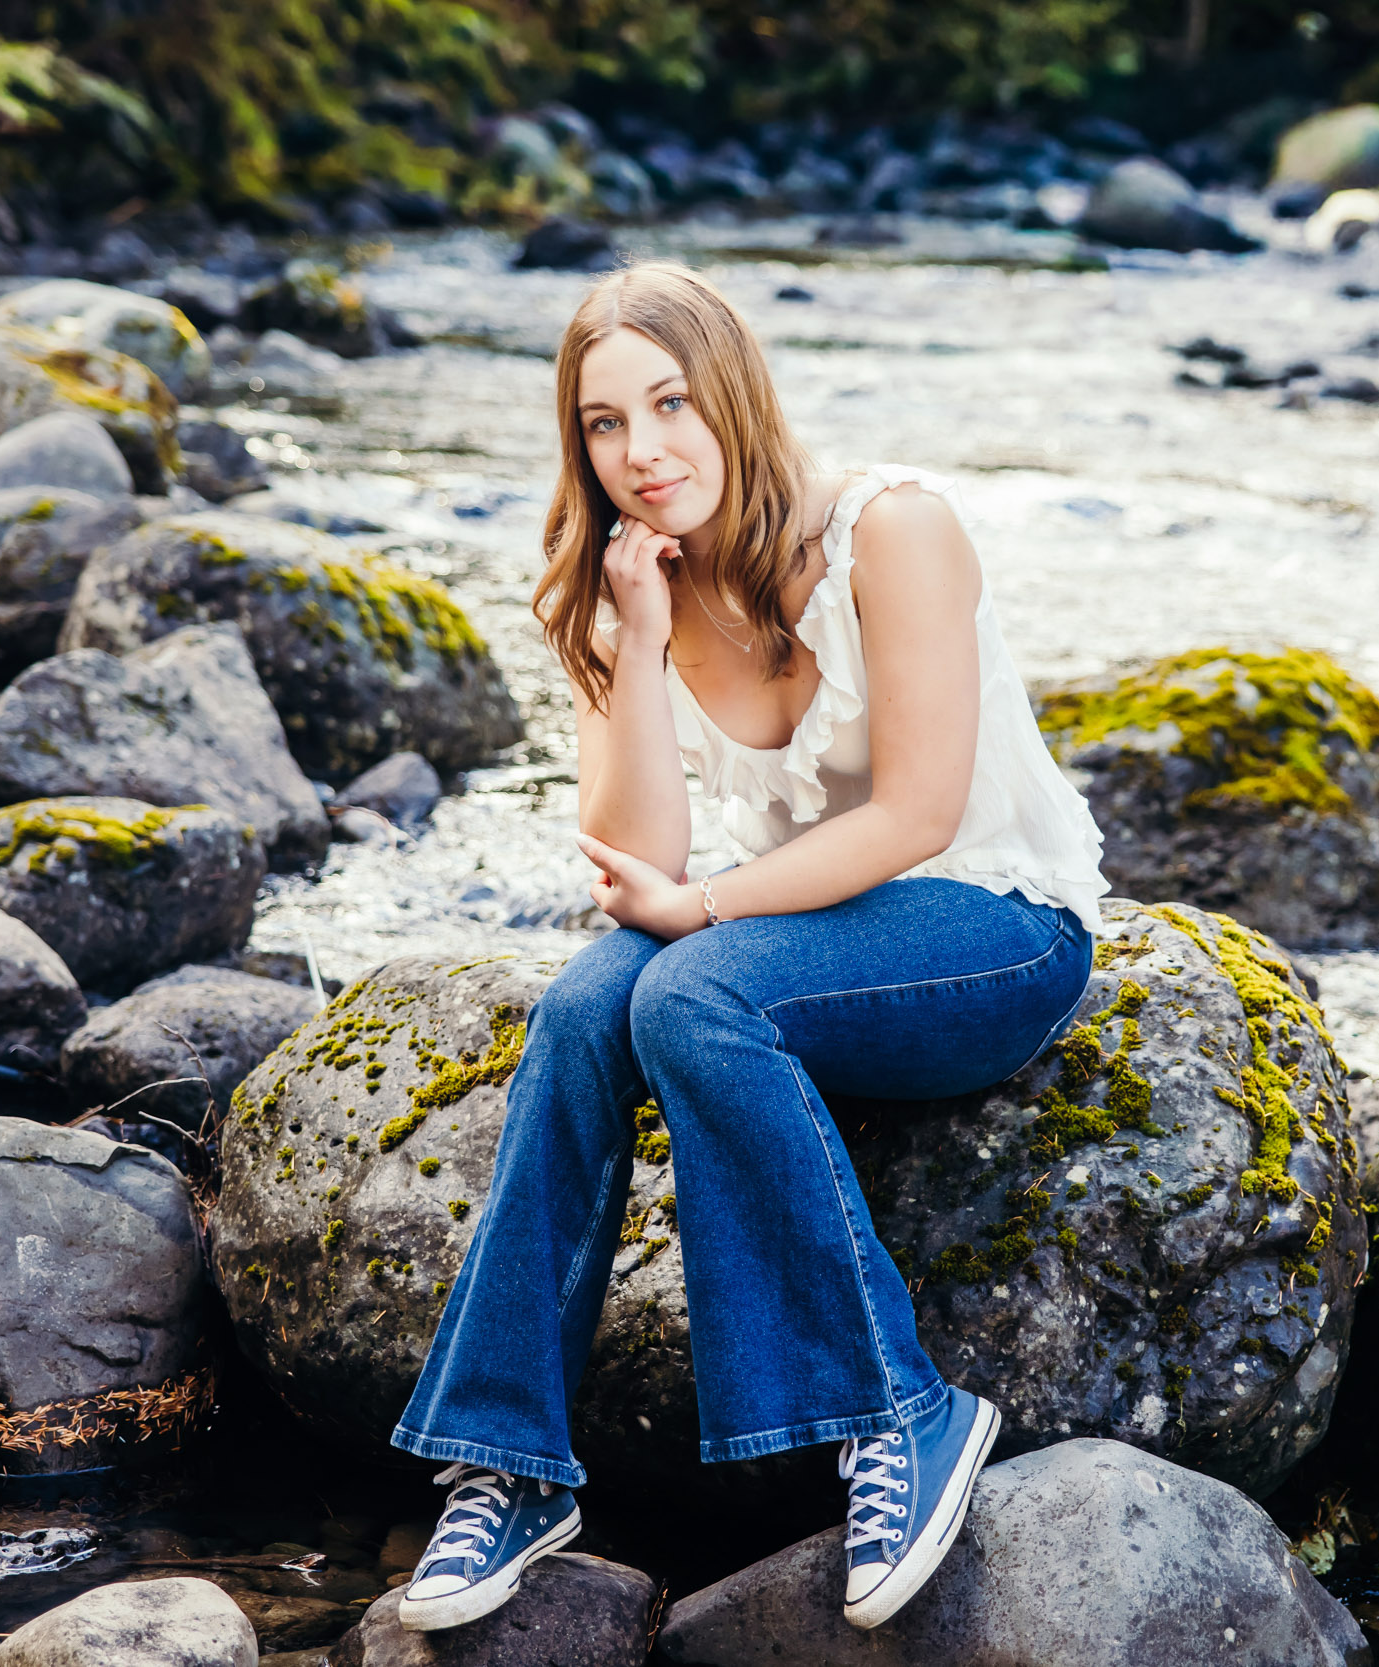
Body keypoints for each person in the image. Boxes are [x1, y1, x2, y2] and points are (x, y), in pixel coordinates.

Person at [388, 260, 1108, 1634]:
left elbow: (918, 811)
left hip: (992, 926)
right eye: (605, 424)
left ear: (733, 393)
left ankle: (905, 1411)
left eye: (669, 404)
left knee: (696, 993)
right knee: (585, 1010)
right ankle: (509, 1460)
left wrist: (708, 912)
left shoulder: (893, 531)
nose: (643, 452)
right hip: (808, 925)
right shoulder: (625, 591)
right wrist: (640, 639)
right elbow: (639, 858)